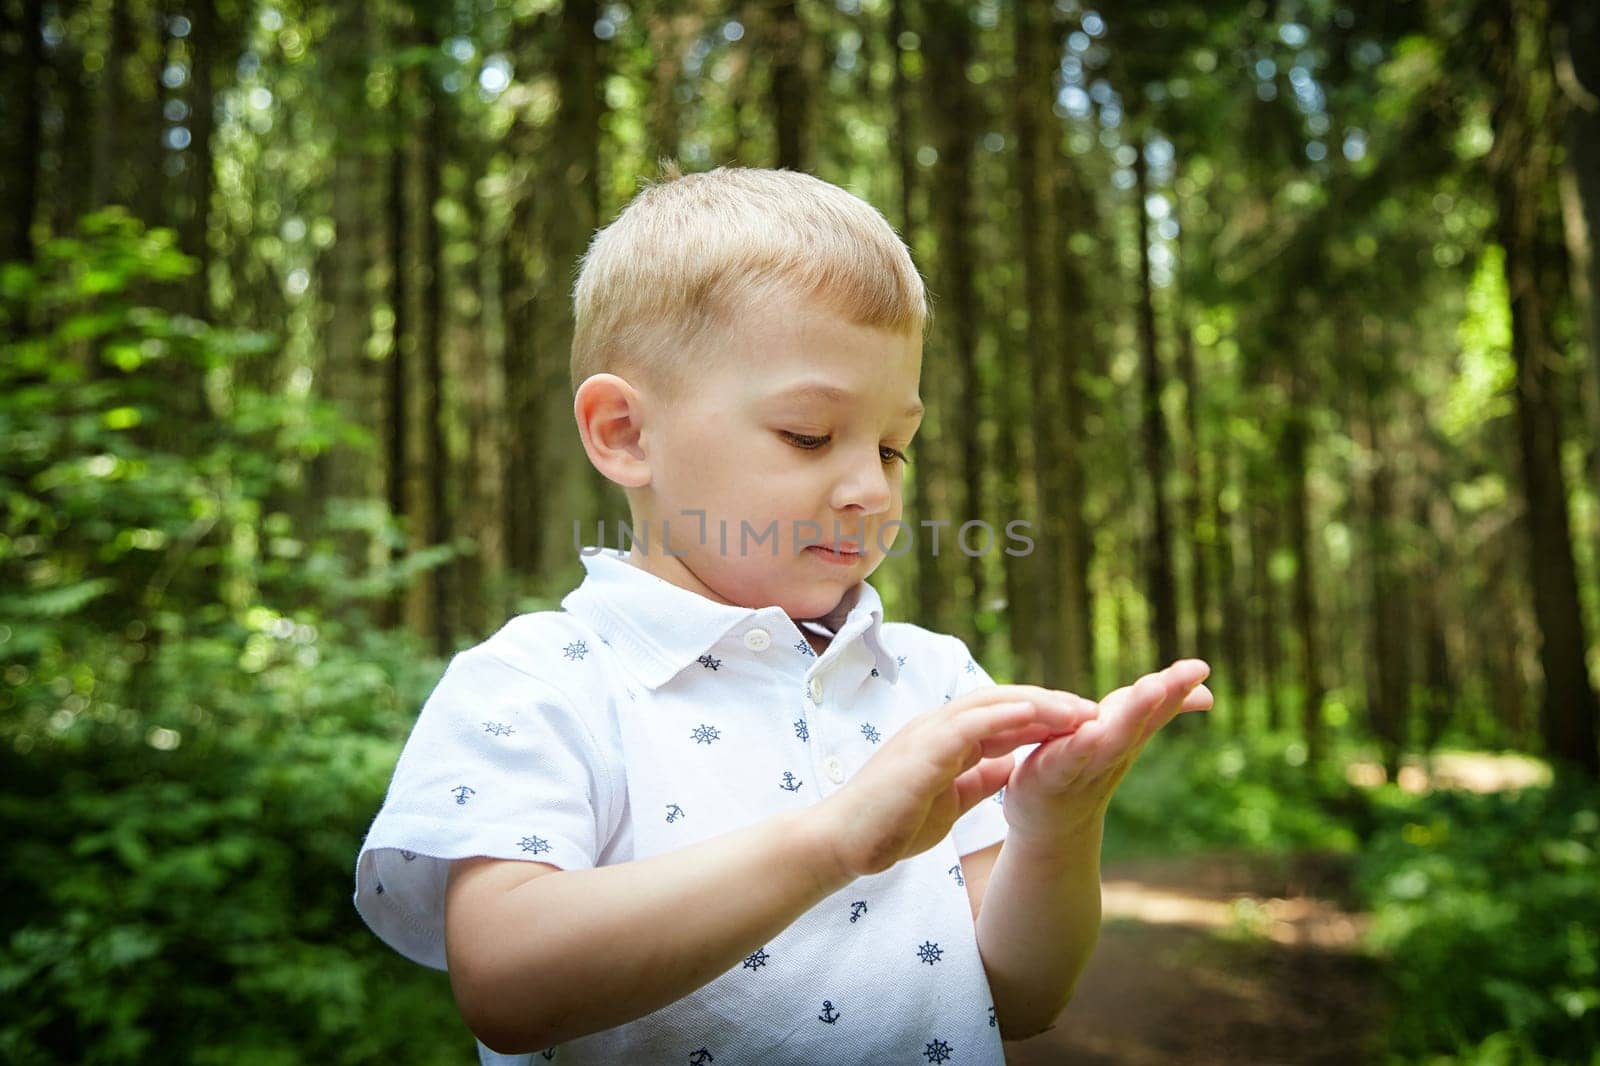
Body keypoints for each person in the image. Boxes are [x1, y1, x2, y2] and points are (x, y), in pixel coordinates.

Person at [353, 162, 1212, 1065]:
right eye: (808, 434)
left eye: (893, 447)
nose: (868, 487)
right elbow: (507, 985)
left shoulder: (936, 683)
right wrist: (831, 840)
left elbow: (1023, 997)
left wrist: (1057, 828)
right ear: (625, 433)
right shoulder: (544, 682)